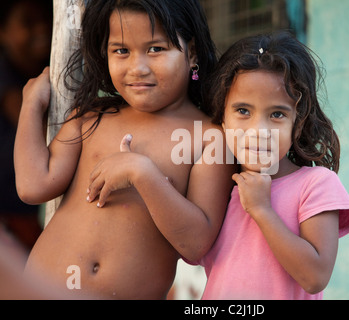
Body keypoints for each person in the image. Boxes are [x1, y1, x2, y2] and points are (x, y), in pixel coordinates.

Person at [14, 0, 234, 299]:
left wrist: (142, 174)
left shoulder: (209, 138)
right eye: (121, 50)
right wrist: (31, 106)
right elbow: (32, 186)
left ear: (191, 52)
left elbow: (196, 244)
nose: (137, 67)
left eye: (156, 49)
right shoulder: (92, 117)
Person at [197, 32, 349, 300]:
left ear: (298, 123)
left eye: (276, 114)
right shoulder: (219, 188)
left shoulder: (316, 184)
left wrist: (262, 210)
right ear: (222, 119)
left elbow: (315, 277)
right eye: (243, 111)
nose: (258, 130)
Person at [0, 0, 52, 251]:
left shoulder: (47, 71)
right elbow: (44, 137)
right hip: (12, 216)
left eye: (45, 19)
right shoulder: (6, 76)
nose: (42, 28)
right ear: (3, 31)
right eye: (28, 23)